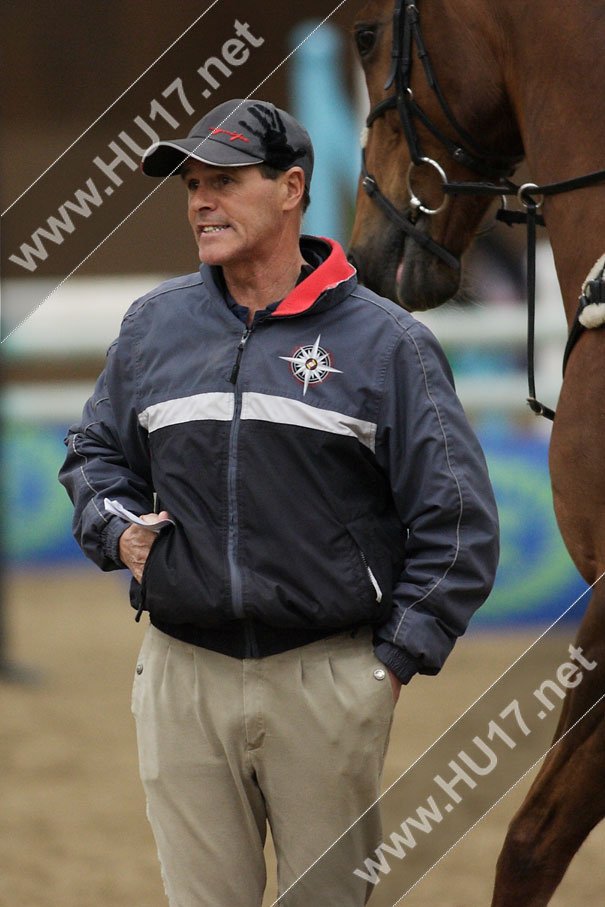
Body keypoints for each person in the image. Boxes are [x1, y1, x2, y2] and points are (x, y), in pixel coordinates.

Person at [59, 98, 499, 906]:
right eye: (192, 185)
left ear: (291, 187)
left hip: (329, 679)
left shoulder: (388, 343)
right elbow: (92, 454)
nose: (201, 202)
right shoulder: (153, 327)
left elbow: (459, 521)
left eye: (224, 181)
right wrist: (116, 531)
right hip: (179, 675)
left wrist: (387, 665)